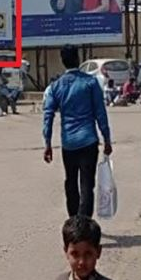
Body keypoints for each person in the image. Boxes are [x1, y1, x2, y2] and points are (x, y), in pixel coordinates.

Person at [42, 45, 113, 218]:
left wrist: (48, 143)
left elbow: (48, 115)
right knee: (87, 184)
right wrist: (107, 139)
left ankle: (73, 220)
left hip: (68, 143)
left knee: (71, 182)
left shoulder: (56, 86)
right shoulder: (90, 83)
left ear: (62, 61)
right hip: (89, 140)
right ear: (78, 59)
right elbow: (100, 113)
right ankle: (85, 223)